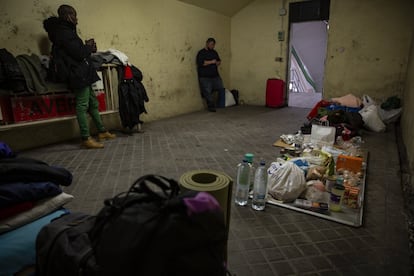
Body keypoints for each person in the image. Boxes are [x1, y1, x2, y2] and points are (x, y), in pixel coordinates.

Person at [43, 4, 116, 149]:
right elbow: (78, 53)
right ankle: (85, 138)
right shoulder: (64, 33)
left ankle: (102, 131)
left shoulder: (67, 32)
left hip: (82, 72)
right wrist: (88, 47)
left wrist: (87, 47)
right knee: (82, 105)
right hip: (77, 74)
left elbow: (76, 52)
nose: (77, 19)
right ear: (68, 16)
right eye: (75, 15)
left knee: (93, 103)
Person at [196, 38, 225, 112]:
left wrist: (218, 62)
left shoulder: (214, 52)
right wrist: (212, 62)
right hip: (205, 76)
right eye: (211, 44)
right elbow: (202, 63)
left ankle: (218, 102)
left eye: (213, 45)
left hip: (215, 75)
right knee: (207, 90)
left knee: (220, 87)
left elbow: (218, 61)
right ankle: (211, 105)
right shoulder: (201, 52)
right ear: (207, 43)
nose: (212, 46)